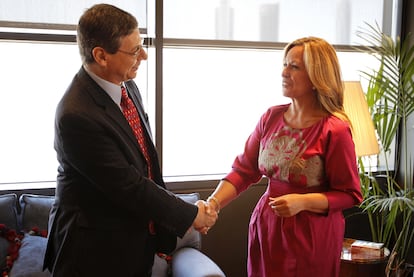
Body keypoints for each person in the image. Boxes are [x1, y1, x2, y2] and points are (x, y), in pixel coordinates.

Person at [43, 4, 217, 277]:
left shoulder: (128, 87)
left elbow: (145, 164)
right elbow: (128, 185)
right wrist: (190, 215)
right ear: (101, 55)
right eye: (135, 50)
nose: (144, 55)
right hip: (92, 253)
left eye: (142, 45)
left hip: (134, 243)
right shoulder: (76, 115)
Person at [203, 37, 363, 277]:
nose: (284, 72)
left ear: (316, 76)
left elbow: (350, 194)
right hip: (267, 227)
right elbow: (244, 170)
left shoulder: (334, 129)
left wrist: (302, 202)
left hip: (311, 234)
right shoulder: (271, 117)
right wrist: (212, 204)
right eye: (284, 64)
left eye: (294, 67)